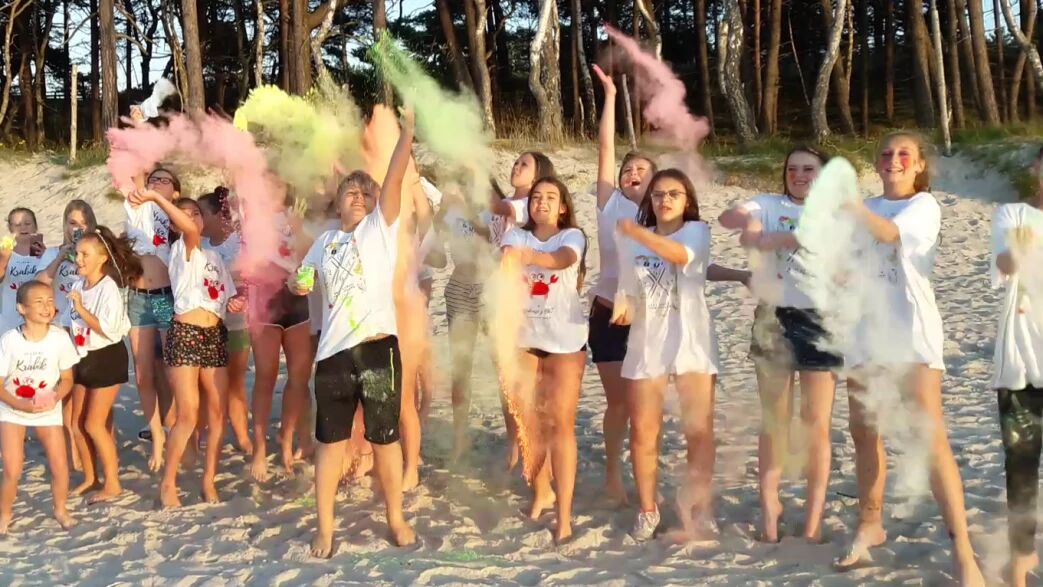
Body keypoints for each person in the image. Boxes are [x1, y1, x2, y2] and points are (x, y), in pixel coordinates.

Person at [835, 132, 984, 586]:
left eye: (904, 154)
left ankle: (963, 549)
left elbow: (888, 234)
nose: (894, 159)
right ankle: (870, 524)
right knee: (864, 432)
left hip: (912, 336)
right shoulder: (866, 206)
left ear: (919, 165)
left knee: (928, 435)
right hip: (865, 336)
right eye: (886, 153)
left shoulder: (923, 206)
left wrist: (849, 206)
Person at [293, 108, 416, 556]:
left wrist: (407, 133)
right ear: (338, 202)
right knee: (330, 444)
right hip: (333, 355)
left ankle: (396, 518)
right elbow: (302, 278)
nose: (359, 196)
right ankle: (325, 528)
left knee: (385, 439)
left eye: (366, 192)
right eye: (351, 191)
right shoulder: (324, 242)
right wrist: (297, 282)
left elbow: (395, 178)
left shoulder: (380, 230)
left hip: (378, 350)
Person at [718, 146, 839, 542]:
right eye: (792, 169)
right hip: (774, 317)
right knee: (775, 422)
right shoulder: (770, 204)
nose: (799, 175)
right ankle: (770, 515)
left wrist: (780, 237)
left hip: (822, 320)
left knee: (816, 423)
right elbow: (727, 217)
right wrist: (750, 221)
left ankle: (813, 522)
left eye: (809, 169)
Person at [613, 169, 722, 541]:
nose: (664, 200)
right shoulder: (634, 241)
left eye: (673, 194)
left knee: (699, 432)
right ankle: (648, 509)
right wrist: (623, 307)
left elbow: (680, 255)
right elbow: (628, 289)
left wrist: (636, 231)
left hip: (692, 343)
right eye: (657, 195)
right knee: (644, 432)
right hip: (648, 343)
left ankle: (700, 508)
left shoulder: (697, 231)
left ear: (687, 200)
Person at [132, 190, 242, 508]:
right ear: (174, 223)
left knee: (217, 414)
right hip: (186, 333)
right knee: (188, 414)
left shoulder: (215, 257)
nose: (193, 218)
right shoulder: (183, 248)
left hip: (214, 333)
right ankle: (168, 483)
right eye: (186, 214)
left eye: (197, 213)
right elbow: (189, 229)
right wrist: (155, 197)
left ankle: (208, 481)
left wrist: (235, 302)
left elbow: (225, 297)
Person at [500, 176, 588, 544]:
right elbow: (505, 264)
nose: (542, 202)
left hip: (565, 341)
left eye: (551, 197)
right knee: (527, 423)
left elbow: (562, 260)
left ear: (563, 206)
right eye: (536, 197)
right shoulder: (515, 235)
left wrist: (530, 258)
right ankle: (541, 490)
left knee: (561, 425)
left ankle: (564, 516)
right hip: (523, 339)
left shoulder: (572, 236)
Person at [589, 64, 658, 505]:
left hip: (649, 320)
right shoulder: (610, 203)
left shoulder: (663, 214)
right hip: (607, 314)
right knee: (619, 404)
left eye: (641, 169)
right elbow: (605, 147)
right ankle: (613, 476)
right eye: (627, 169)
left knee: (644, 407)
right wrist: (612, 96)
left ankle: (646, 479)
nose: (632, 172)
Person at [989, 145, 1043, 587]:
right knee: (1021, 466)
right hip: (1022, 361)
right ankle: (1021, 559)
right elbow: (1005, 263)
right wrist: (1020, 250)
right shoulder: (1014, 214)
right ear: (1036, 167)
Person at [247, 179, 315, 482]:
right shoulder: (251, 216)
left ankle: (286, 440)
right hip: (265, 300)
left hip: (297, 299)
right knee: (266, 375)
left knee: (299, 377)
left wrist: (298, 229)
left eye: (278, 185)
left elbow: (310, 256)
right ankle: (259, 448)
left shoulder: (296, 215)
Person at [0, 280, 79, 534]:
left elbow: (67, 379)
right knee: (12, 469)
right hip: (12, 409)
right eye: (39, 302)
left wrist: (55, 398)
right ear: (22, 308)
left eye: (50, 301)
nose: (46, 307)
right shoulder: (9, 340)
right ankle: (4, 513)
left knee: (59, 465)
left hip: (48, 410)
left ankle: (60, 509)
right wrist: (20, 405)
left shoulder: (60, 338)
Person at [68, 227, 138, 503]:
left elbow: (109, 330)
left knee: (94, 424)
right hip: (82, 356)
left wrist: (82, 309)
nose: (79, 259)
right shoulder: (77, 285)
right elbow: (70, 324)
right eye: (77, 254)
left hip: (107, 357)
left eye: (85, 254)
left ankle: (113, 483)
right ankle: (90, 478)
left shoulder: (108, 288)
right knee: (76, 424)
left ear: (102, 258)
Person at [124, 168, 180, 472]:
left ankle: (175, 428)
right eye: (153, 179)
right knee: (143, 373)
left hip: (166, 298)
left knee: (173, 371)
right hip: (138, 299)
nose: (156, 183)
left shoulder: (178, 219)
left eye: (164, 180)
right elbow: (138, 172)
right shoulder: (139, 207)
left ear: (176, 191)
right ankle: (157, 435)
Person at [35, 200, 96, 473]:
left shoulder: (94, 252)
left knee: (91, 394)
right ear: (65, 225)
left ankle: (91, 450)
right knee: (65, 395)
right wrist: (61, 256)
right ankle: (71, 453)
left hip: (88, 330)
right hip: (61, 329)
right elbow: (39, 283)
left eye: (83, 223)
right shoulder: (53, 253)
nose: (77, 228)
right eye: (72, 223)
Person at [198, 188, 252, 455]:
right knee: (206, 384)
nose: (196, 219)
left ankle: (243, 438)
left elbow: (251, 277)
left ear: (218, 215)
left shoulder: (238, 242)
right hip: (207, 324)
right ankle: (205, 434)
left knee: (235, 381)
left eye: (201, 213)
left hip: (237, 321)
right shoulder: (198, 244)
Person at [0, 208, 58, 334]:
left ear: (35, 226)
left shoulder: (45, 253)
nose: (23, 228)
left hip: (39, 319)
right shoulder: (4, 252)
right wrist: (3, 259)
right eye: (17, 225)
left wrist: (47, 256)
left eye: (27, 223)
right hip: (8, 321)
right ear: (10, 228)